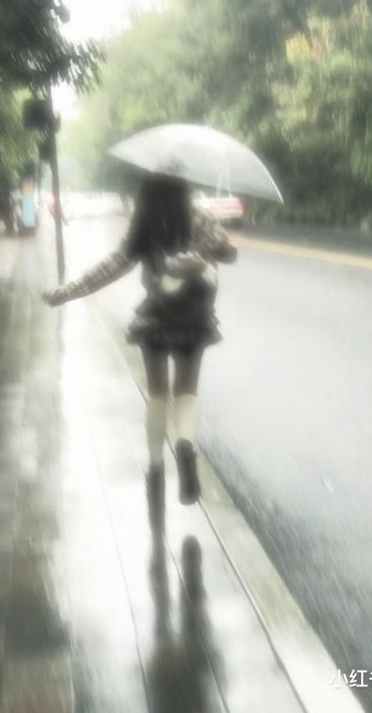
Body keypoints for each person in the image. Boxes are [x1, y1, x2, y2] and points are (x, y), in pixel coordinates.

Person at [41, 174, 237, 518]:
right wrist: (204, 249)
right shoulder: (199, 218)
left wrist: (65, 293)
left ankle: (156, 466)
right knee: (186, 391)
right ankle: (186, 446)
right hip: (194, 316)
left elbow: (112, 267)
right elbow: (230, 252)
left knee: (158, 393)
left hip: (157, 316)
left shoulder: (145, 222)